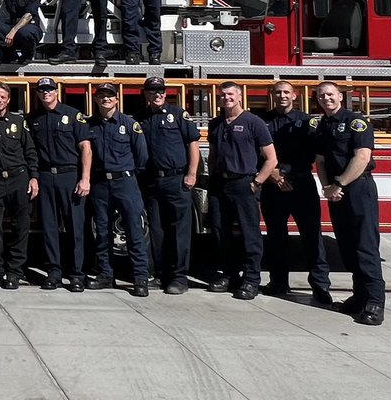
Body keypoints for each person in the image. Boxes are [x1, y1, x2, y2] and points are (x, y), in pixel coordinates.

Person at [314, 81, 385, 325]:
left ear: (340, 97)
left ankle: (375, 302)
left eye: (330, 94)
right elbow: (321, 161)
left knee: (365, 246)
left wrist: (339, 184)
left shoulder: (357, 122)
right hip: (337, 191)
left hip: (358, 189)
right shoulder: (322, 126)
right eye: (322, 96)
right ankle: (359, 297)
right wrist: (327, 188)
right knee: (347, 247)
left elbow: (362, 158)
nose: (326, 99)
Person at [259, 80, 332, 304]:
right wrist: (275, 175)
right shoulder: (263, 121)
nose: (282, 96)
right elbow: (255, 151)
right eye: (278, 92)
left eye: (286, 92)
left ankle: (320, 286)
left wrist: (286, 172)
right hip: (274, 186)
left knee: (312, 236)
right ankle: (278, 281)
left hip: (301, 185)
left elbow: (312, 153)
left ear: (294, 96)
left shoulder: (307, 121)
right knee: (276, 237)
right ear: (272, 95)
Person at [206, 81, 278, 300]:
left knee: (249, 233)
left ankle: (251, 279)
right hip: (220, 184)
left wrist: (257, 182)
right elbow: (213, 153)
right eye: (222, 95)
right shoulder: (216, 123)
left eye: (230, 94)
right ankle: (229, 274)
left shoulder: (253, 122)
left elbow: (271, 158)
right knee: (220, 231)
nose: (226, 98)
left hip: (244, 183)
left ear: (239, 97)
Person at [136, 76, 200, 294]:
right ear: (145, 94)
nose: (158, 94)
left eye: (161, 91)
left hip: (176, 179)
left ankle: (179, 278)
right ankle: (160, 274)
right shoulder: (141, 118)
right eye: (153, 91)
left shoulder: (178, 114)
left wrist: (192, 173)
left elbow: (193, 142)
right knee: (156, 230)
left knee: (179, 231)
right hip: (152, 181)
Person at [86, 82, 151, 297]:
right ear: (96, 99)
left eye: (110, 96)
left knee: (134, 230)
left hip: (125, 182)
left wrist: (129, 175)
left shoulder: (129, 124)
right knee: (102, 231)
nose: (106, 99)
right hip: (100, 184)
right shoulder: (90, 125)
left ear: (117, 99)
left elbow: (141, 156)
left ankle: (140, 278)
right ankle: (105, 274)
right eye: (102, 95)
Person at [27, 77, 91, 291]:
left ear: (57, 91)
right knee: (49, 227)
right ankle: (54, 272)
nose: (46, 93)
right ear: (37, 94)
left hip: (69, 176)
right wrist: (34, 176)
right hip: (46, 176)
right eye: (42, 90)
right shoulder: (33, 118)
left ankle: (76, 275)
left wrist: (85, 178)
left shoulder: (73, 115)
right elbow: (32, 152)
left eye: (50, 89)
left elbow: (85, 148)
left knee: (74, 227)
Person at [0, 82, 38, 290]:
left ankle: (14, 272)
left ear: (9, 99)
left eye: (3, 97)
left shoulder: (19, 122)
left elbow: (30, 152)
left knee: (20, 227)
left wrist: (34, 177)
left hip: (19, 179)